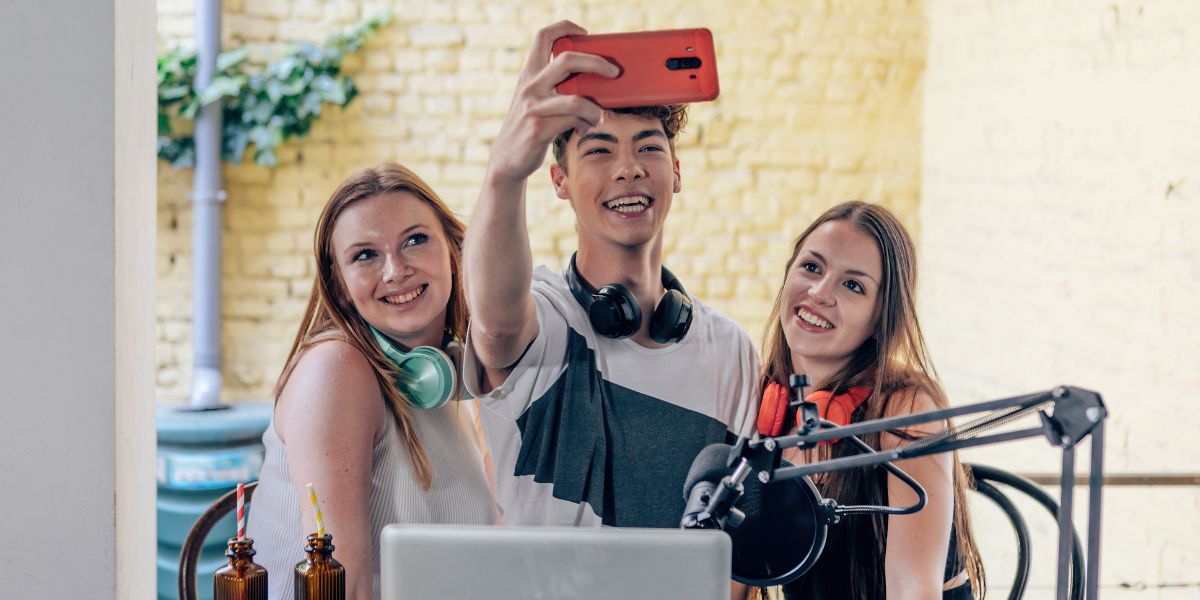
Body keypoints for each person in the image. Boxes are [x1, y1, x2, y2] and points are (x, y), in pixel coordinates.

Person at [460, 21, 759, 528]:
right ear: (560, 181)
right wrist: (505, 173)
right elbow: (496, 324)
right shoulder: (547, 319)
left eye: (648, 147)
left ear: (676, 172)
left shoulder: (731, 350)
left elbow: (735, 547)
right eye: (599, 150)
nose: (628, 168)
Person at [247, 163, 495, 600]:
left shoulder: (446, 379)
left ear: (453, 252)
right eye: (365, 254)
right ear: (339, 285)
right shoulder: (336, 370)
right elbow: (345, 587)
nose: (395, 270)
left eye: (415, 240)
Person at [750, 201, 985, 599]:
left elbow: (912, 591)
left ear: (881, 320)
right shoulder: (763, 402)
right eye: (812, 267)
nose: (820, 293)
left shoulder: (907, 410)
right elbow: (734, 580)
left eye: (853, 285)